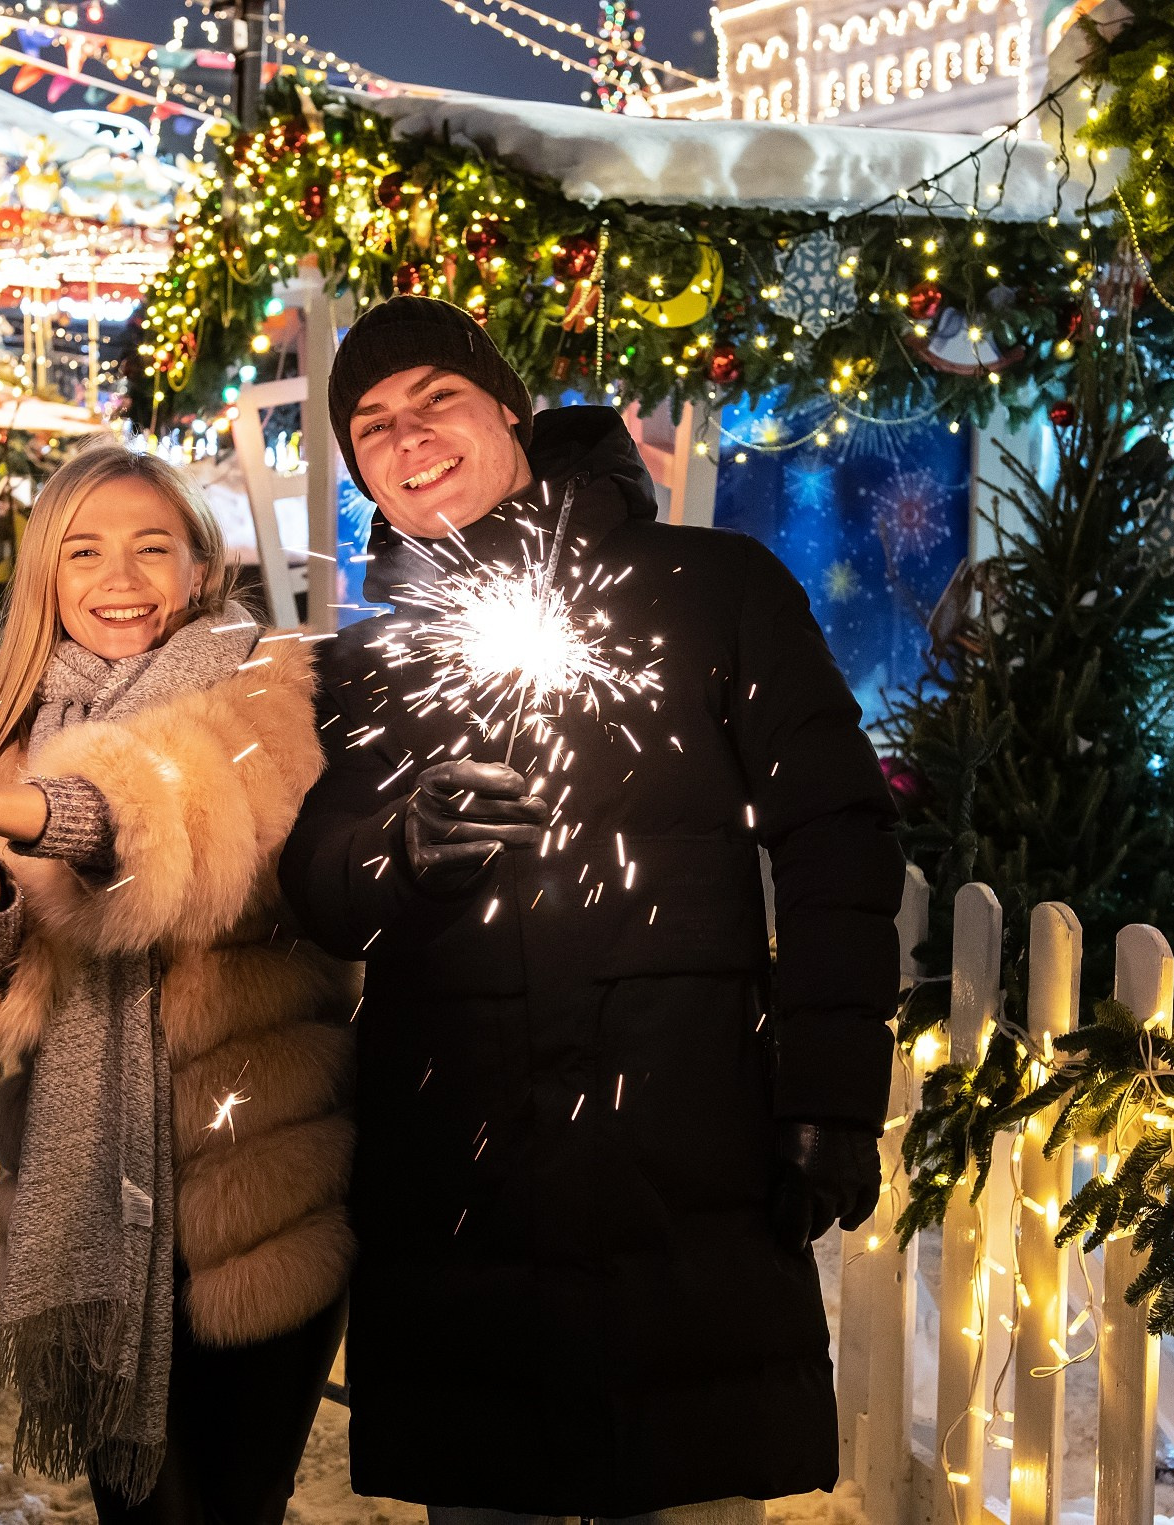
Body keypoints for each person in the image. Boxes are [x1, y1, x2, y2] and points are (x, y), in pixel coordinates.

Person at [278, 297, 905, 1522]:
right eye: (372, 424)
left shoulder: (709, 588)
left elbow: (837, 834)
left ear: (507, 408)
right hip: (460, 1193)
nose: (409, 438)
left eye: (436, 400)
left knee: (687, 1490)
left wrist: (829, 1092)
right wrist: (399, 853)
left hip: (681, 1163)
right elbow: (316, 882)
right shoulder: (371, 663)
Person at [0, 445, 355, 1525]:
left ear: (199, 565)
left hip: (250, 1201)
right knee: (134, 1511)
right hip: (89, 1200)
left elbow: (164, 832)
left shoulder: (259, 685)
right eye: (84, 551)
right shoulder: (18, 725)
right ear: (45, 576)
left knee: (224, 1507)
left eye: (148, 548)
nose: (117, 578)